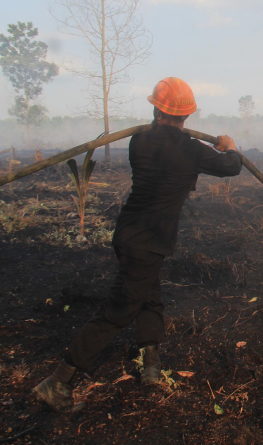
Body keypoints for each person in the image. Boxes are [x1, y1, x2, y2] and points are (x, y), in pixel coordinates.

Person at [32, 77, 243, 412]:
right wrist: (228, 145)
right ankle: (58, 381)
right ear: (187, 116)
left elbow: (163, 139)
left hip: (130, 233)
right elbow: (232, 166)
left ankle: (151, 367)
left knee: (149, 298)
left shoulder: (139, 142)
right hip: (148, 240)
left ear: (156, 109)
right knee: (119, 310)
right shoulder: (190, 149)